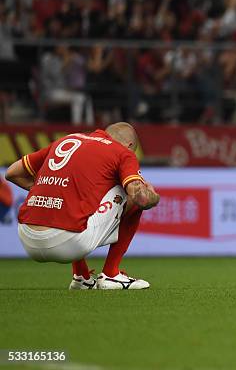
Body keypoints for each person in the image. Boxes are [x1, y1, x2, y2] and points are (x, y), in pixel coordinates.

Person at [4, 122, 160, 290]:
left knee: (74, 198)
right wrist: (153, 194)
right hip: (66, 242)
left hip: (26, 236)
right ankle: (111, 274)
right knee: (130, 191)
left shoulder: (66, 140)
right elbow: (141, 199)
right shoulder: (122, 153)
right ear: (129, 145)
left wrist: (49, 189)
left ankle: (81, 277)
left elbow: (12, 172)